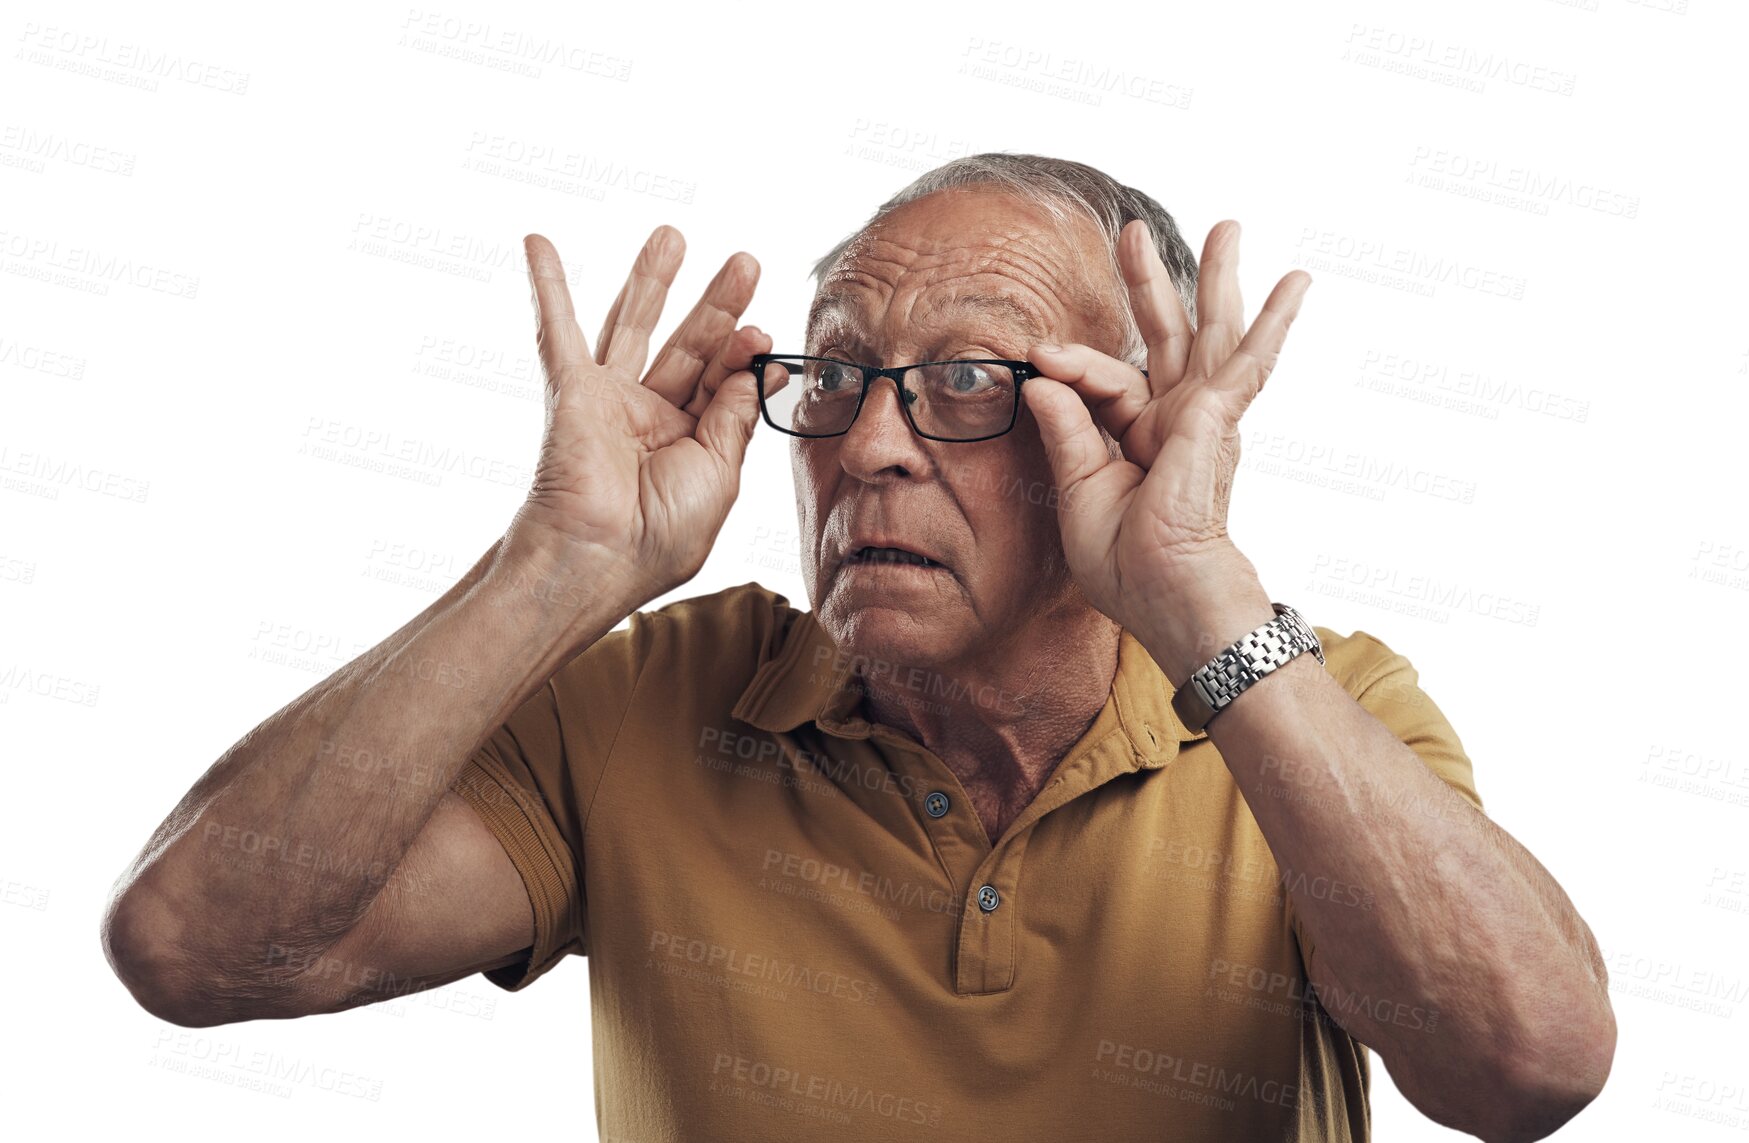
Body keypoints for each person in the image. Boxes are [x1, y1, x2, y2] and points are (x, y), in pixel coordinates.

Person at [101, 153, 1613, 1142]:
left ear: (1126, 423)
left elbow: (1525, 1071)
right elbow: (198, 948)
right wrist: (558, 567)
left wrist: (1201, 595)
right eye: (834, 374)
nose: (870, 443)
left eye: (966, 378)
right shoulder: (657, 701)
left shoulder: (1302, 710)